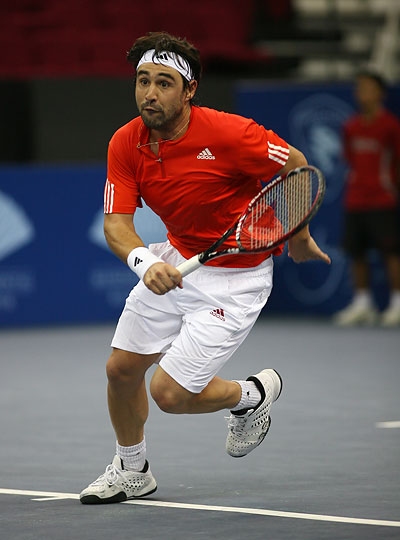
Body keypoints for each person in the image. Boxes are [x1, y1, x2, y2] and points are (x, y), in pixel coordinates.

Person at [79, 31, 331, 504]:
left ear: (189, 90)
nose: (150, 93)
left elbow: (296, 166)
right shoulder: (126, 142)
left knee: (169, 395)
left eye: (164, 83)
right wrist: (145, 262)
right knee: (121, 370)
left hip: (236, 282)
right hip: (177, 257)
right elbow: (116, 224)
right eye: (143, 81)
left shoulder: (232, 133)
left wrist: (297, 235)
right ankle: (132, 471)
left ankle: (251, 395)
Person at [334, 70, 400, 327]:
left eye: (368, 88)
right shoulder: (350, 127)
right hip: (355, 200)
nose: (362, 93)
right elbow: (350, 160)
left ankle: (397, 304)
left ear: (380, 93)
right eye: (359, 88)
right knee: (356, 253)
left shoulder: (391, 126)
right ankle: (363, 304)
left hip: (383, 201)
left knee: (392, 253)